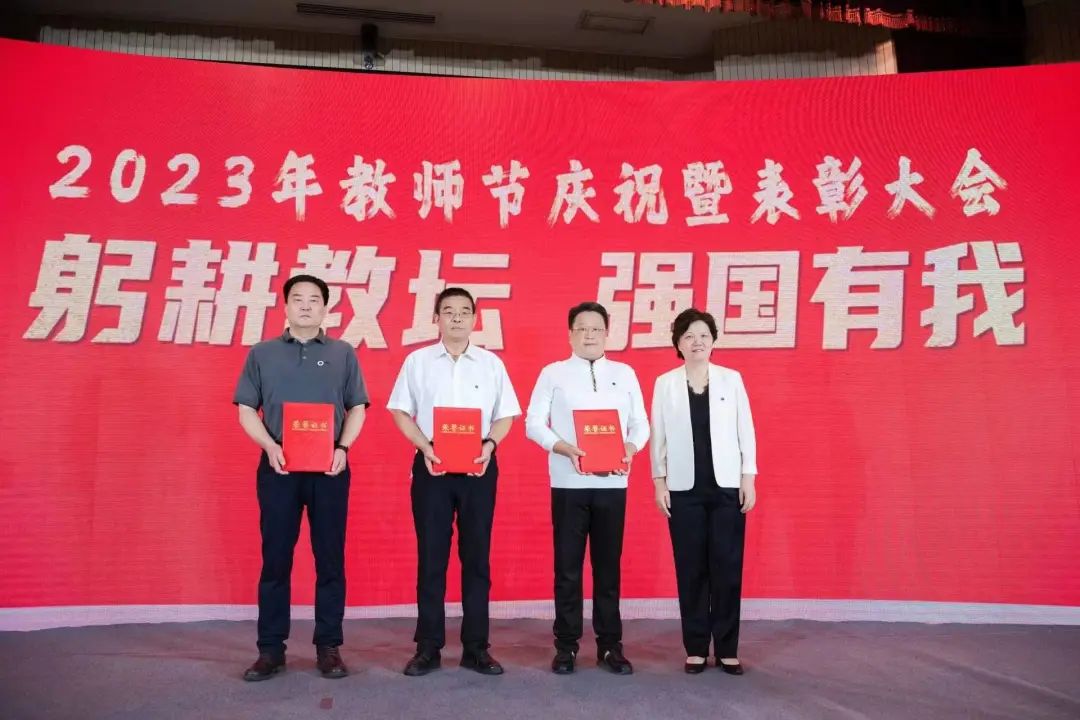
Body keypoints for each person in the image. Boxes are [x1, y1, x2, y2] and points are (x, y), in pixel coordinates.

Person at [234, 274, 369, 681]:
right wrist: (269, 446)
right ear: (286, 305)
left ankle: (329, 646)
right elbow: (246, 408)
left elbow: (357, 407)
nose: (306, 305)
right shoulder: (262, 353)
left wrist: (343, 448)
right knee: (276, 558)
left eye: (314, 299)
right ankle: (270, 649)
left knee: (330, 559)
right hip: (279, 467)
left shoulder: (343, 353)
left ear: (325, 308)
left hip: (329, 469)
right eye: (298, 299)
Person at [388, 287, 521, 676]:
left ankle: (476, 648)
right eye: (449, 311)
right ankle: (428, 647)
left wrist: (490, 444)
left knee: (477, 558)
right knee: (432, 558)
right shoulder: (418, 361)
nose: (457, 317)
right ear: (436, 318)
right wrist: (424, 446)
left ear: (475, 319)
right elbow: (400, 410)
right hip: (432, 469)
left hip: (479, 468)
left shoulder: (491, 364)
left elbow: (506, 415)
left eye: (465, 311)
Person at [525, 302, 648, 675]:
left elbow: (640, 423)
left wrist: (630, 448)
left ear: (607, 333)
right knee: (568, 569)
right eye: (582, 328)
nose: (589, 335)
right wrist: (562, 447)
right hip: (568, 484)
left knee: (608, 568)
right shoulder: (553, 373)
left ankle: (610, 646)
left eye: (596, 329)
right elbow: (533, 423)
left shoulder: (624, 374)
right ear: (570, 334)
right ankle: (566, 646)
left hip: (613, 482)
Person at [649, 308, 758, 675]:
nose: (697, 342)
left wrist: (748, 477)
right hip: (683, 489)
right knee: (691, 568)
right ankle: (696, 647)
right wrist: (659, 481)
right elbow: (658, 436)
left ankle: (727, 648)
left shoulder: (731, 380)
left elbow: (746, 430)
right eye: (689, 336)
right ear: (678, 344)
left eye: (703, 336)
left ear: (713, 341)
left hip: (727, 487)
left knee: (727, 568)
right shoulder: (665, 384)